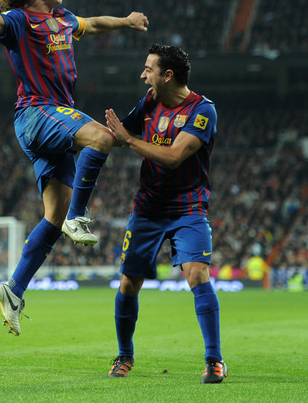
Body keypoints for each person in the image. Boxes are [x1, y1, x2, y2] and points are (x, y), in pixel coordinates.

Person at [0, 0, 149, 336]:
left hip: (56, 119)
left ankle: (14, 289)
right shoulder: (21, 20)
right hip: (38, 112)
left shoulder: (65, 21)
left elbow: (95, 24)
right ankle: (79, 217)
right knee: (102, 136)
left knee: (53, 217)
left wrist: (126, 21)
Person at [104, 43, 226, 383]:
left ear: (167, 75)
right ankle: (125, 355)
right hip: (148, 207)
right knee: (128, 283)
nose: (143, 75)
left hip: (188, 206)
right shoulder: (149, 101)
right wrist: (73, 130)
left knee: (197, 275)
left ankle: (214, 360)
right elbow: (117, 135)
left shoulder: (203, 110)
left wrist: (128, 140)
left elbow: (173, 156)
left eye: (148, 69)